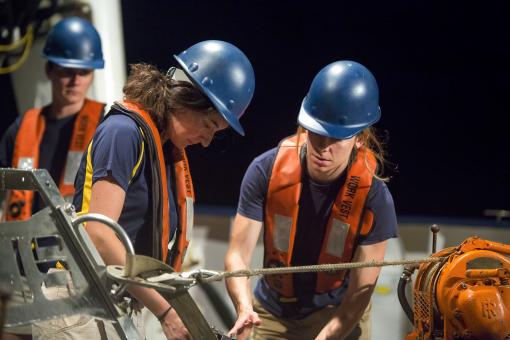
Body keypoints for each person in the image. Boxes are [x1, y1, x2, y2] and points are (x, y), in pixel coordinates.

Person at [68, 40, 255, 339]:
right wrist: (166, 312)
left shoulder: (164, 152)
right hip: (82, 305)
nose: (207, 141)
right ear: (188, 98)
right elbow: (98, 235)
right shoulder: (123, 133)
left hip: (115, 303)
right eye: (209, 125)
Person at [225, 60, 398, 340]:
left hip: (339, 311)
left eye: (336, 138)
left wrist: (326, 336)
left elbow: (359, 293)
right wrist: (244, 306)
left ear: (359, 139)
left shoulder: (375, 198)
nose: (323, 148)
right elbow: (237, 255)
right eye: (316, 132)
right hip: (271, 311)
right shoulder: (264, 170)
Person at [0, 16, 105, 221]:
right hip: (23, 245)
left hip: (79, 247)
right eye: (67, 71)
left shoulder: (104, 127)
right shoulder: (21, 129)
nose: (76, 81)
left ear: (92, 75)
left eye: (84, 72)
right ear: (49, 71)